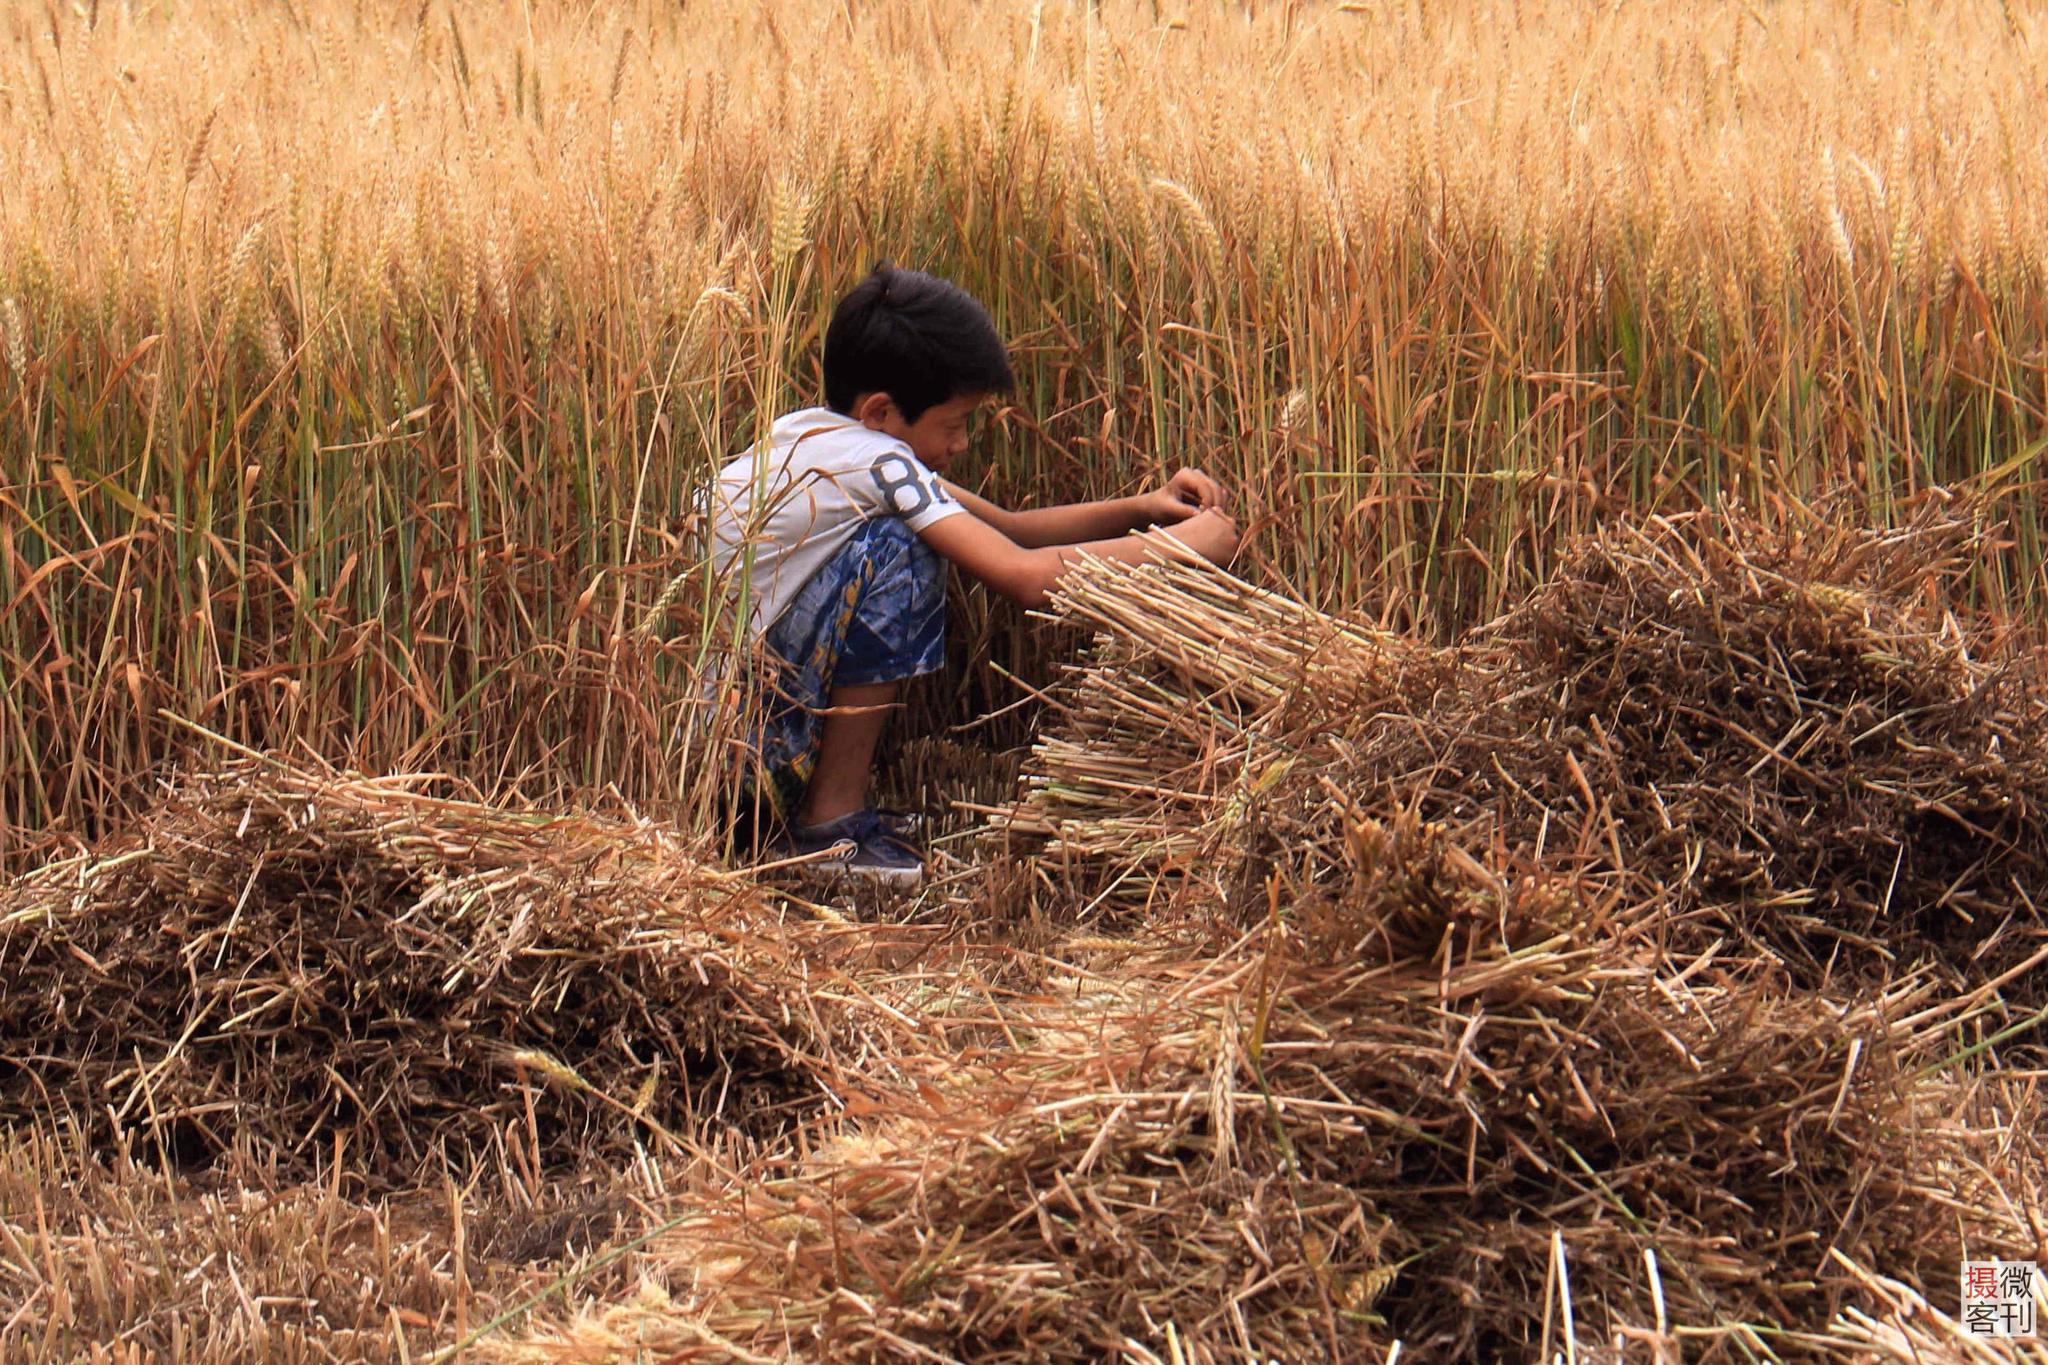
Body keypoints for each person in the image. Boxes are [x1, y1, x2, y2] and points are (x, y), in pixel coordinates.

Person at [708, 263, 1241, 886]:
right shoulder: (876, 461)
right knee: (904, 548)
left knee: (906, 534)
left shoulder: (813, 440)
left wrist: (1144, 509)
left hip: (713, 759)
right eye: (954, 425)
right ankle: (831, 829)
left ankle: (820, 817)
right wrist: (1188, 545)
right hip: (747, 758)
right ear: (881, 410)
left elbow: (1010, 527)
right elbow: (1023, 575)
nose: (960, 445)